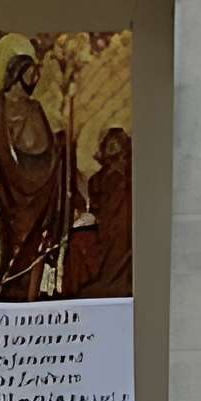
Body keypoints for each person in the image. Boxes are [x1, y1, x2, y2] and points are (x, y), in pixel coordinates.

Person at [0, 50, 69, 300]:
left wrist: (61, 150)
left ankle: (29, 295)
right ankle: (3, 291)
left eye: (35, 75)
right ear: (17, 74)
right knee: (6, 243)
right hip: (7, 190)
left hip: (37, 193)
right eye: (29, 74)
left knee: (34, 247)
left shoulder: (35, 107)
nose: (33, 80)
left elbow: (48, 149)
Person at [63, 126, 135, 299]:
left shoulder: (130, 177)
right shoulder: (97, 180)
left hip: (123, 230)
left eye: (117, 145)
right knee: (78, 242)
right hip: (104, 229)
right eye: (108, 145)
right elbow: (96, 209)